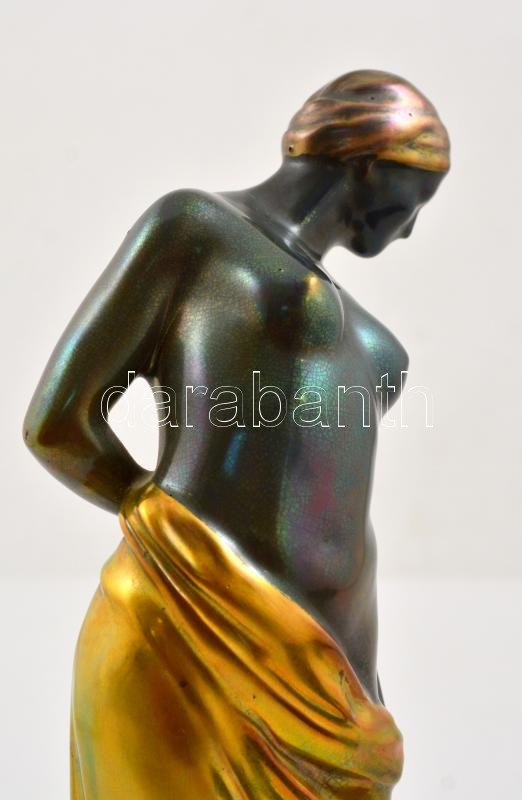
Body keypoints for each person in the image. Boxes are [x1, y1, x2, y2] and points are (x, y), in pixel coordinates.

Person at [24, 69, 450, 799]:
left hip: (330, 693)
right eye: (417, 200)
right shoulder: (195, 227)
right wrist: (176, 544)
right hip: (181, 637)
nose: (411, 227)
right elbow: (59, 422)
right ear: (374, 161)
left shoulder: (374, 340)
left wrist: (363, 677)